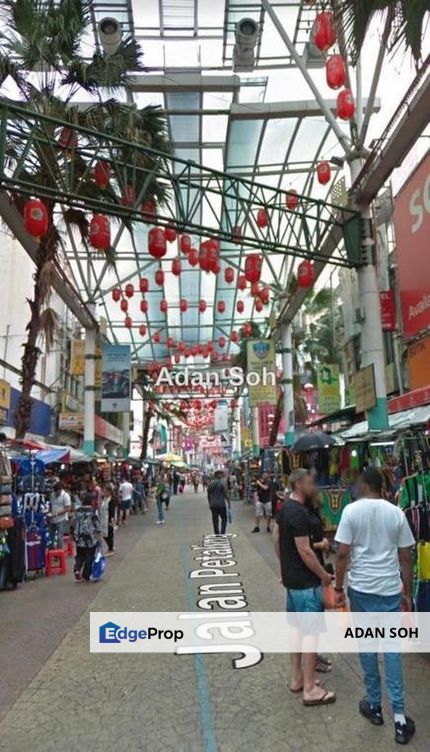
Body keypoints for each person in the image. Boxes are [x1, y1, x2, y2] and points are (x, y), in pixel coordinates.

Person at [335, 467, 416, 745]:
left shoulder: (351, 512)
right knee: (392, 651)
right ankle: (401, 718)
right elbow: (406, 557)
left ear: (364, 486)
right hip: (390, 591)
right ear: (381, 487)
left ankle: (375, 706)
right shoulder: (396, 513)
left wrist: (337, 587)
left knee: (368, 647)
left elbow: (342, 553)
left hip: (362, 591)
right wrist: (407, 592)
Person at [273, 468, 335, 706]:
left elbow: (277, 539)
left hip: (293, 581)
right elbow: (305, 550)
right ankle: (310, 689)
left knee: (297, 630)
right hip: (306, 583)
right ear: (299, 484)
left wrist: (284, 567)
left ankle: (298, 678)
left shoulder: (286, 508)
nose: (314, 486)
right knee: (310, 634)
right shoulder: (297, 512)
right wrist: (323, 576)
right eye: (310, 482)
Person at [73, 492, 102, 582]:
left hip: (79, 535)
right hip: (90, 537)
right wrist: (99, 536)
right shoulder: (93, 512)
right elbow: (97, 525)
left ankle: (77, 569)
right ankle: (86, 576)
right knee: (89, 556)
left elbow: (73, 522)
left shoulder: (77, 511)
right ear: (91, 501)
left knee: (80, 555)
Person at [207, 470, 231, 535]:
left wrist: (210, 503)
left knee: (215, 520)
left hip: (213, 505)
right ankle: (222, 532)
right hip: (221, 504)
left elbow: (208, 495)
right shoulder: (222, 483)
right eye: (221, 474)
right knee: (224, 518)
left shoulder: (211, 483)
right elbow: (225, 493)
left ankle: (217, 534)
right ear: (218, 475)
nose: (223, 475)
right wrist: (228, 502)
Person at [49, 481, 71, 549]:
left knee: (59, 537)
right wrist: (49, 513)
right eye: (55, 492)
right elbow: (50, 505)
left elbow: (67, 508)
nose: (56, 493)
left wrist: (57, 514)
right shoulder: (52, 495)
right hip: (52, 519)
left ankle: (59, 551)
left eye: (57, 492)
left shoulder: (65, 496)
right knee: (51, 536)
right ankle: (52, 550)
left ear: (60, 489)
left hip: (61, 519)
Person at [100, 483, 116, 556]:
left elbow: (111, 511)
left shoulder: (111, 500)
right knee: (105, 534)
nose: (103, 492)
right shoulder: (104, 499)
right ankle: (111, 546)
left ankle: (111, 549)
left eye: (104, 491)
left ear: (108, 492)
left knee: (109, 534)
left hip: (108, 519)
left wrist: (112, 521)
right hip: (103, 519)